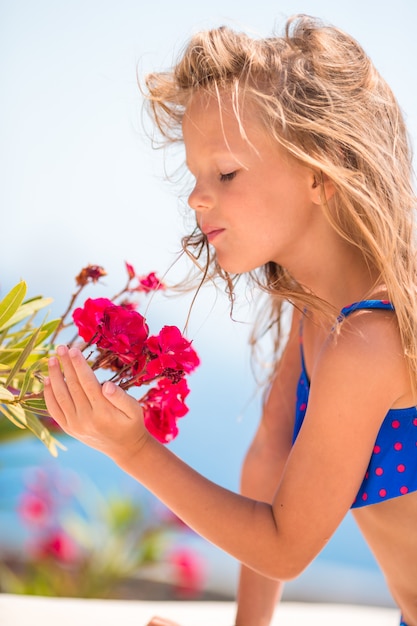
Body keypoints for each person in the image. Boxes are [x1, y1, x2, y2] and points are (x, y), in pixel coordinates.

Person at [44, 15, 417, 626]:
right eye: (195, 176)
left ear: (320, 172)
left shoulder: (369, 341)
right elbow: (270, 455)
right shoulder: (316, 313)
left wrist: (133, 448)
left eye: (225, 173)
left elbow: (286, 546)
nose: (196, 197)